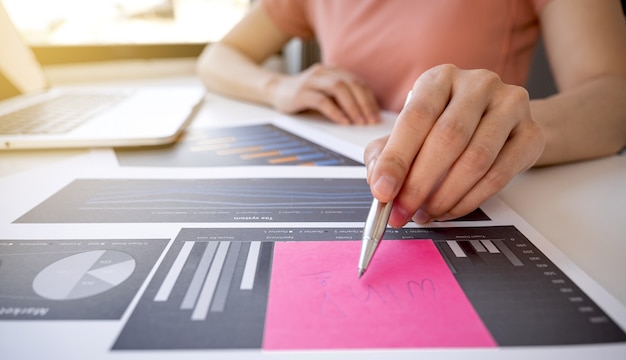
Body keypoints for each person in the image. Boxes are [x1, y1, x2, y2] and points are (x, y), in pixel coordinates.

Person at [197, 0, 626, 227]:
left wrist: (505, 132)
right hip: (347, 168)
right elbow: (217, 56)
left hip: (499, 193)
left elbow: (613, 98)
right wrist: (279, 86)